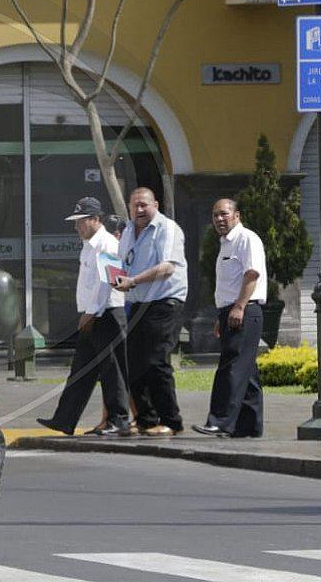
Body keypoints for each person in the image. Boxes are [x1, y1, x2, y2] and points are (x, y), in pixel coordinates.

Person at [37, 197, 132, 436]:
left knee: (112, 370)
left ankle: (118, 420)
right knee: (81, 370)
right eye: (76, 221)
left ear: (95, 220)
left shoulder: (107, 244)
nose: (77, 226)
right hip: (94, 315)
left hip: (107, 313)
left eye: (81, 221)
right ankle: (64, 419)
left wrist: (91, 313)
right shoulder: (89, 244)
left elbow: (107, 282)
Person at [113, 188, 187, 436]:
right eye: (135, 205)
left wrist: (132, 281)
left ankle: (171, 421)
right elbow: (122, 263)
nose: (139, 210)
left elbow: (167, 267)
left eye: (144, 205)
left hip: (164, 302)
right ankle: (146, 419)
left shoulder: (168, 229)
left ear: (155, 204)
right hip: (137, 304)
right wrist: (115, 277)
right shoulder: (128, 232)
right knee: (134, 364)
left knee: (157, 362)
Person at [194, 199, 266, 438]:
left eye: (224, 214)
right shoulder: (225, 243)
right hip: (231, 312)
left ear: (237, 215)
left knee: (231, 367)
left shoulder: (247, 239)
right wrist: (222, 315)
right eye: (215, 215)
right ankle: (249, 426)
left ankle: (220, 421)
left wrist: (239, 307)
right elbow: (230, 283)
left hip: (246, 310)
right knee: (247, 371)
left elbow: (252, 275)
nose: (219, 219)